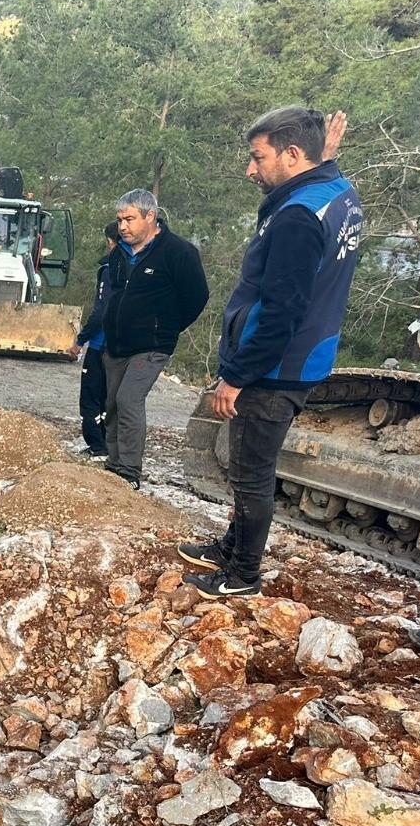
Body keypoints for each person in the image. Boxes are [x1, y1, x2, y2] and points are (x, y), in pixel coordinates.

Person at [179, 108, 359, 599]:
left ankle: (242, 576)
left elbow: (281, 311)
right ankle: (233, 547)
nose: (250, 169)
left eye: (258, 158)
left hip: (276, 368)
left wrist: (236, 376)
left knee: (250, 474)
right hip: (303, 357)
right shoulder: (335, 193)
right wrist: (329, 158)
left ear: (293, 155)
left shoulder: (298, 217)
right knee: (250, 469)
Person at [97, 189, 210, 488]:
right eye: (120, 219)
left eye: (130, 219)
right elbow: (115, 296)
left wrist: (165, 327)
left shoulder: (178, 252)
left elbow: (197, 297)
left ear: (151, 216)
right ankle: (114, 465)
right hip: (117, 344)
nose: (122, 226)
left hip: (152, 345)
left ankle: (129, 472)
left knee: (129, 399)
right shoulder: (119, 253)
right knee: (111, 403)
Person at [68, 220, 122, 457]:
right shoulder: (138, 266)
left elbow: (101, 311)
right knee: (112, 398)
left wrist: (81, 340)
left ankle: (97, 445)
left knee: (91, 398)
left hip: (101, 345)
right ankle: (112, 445)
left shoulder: (110, 269)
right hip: (123, 347)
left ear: (111, 242)